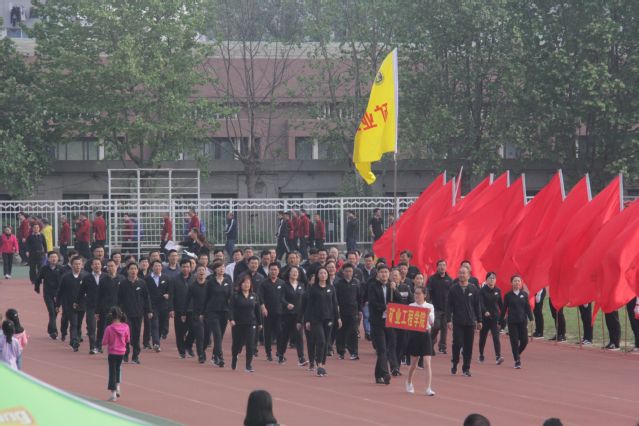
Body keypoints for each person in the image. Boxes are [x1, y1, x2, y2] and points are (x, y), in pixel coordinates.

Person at [303, 266, 341, 377]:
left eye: (325, 273)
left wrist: (338, 318)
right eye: (321, 273)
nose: (323, 275)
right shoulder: (313, 289)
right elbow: (309, 305)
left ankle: (323, 365)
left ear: (327, 275)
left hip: (329, 319)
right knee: (321, 341)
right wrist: (307, 320)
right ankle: (319, 364)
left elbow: (335, 304)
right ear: (317, 275)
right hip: (316, 319)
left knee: (326, 343)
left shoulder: (331, 288)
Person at [446, 265, 482, 377]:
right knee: (457, 343)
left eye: (464, 273)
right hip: (458, 321)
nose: (461, 275)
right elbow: (449, 305)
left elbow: (477, 306)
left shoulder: (473, 289)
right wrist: (448, 320)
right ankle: (455, 362)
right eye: (460, 273)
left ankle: (466, 368)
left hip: (470, 322)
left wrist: (479, 320)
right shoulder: (453, 289)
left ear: (469, 275)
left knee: (468, 346)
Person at [368, 264, 400, 384]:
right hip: (377, 322)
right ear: (378, 274)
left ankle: (378, 375)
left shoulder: (391, 286)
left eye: (386, 272)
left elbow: (400, 301)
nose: (384, 274)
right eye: (381, 272)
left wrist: (395, 289)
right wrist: (385, 307)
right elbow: (373, 302)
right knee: (381, 348)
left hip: (390, 322)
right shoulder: (373, 287)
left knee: (388, 348)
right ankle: (386, 373)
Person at [117, 262, 152, 364]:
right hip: (126, 314)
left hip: (138, 313)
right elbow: (119, 299)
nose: (133, 271)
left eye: (135, 269)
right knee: (126, 335)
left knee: (136, 335)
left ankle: (135, 356)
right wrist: (118, 312)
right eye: (131, 269)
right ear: (127, 270)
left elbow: (146, 298)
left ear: (137, 270)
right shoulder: (123, 284)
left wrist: (149, 310)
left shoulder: (142, 283)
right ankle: (125, 354)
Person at [405, 287, 435, 396]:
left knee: (427, 362)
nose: (417, 295)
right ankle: (409, 382)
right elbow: (407, 321)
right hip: (414, 335)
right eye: (415, 293)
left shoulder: (429, 306)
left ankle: (428, 388)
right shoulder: (411, 306)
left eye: (419, 293)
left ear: (424, 295)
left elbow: (432, 322)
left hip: (425, 335)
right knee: (414, 363)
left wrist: (428, 314)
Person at [229, 273, 262, 372]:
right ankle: (234, 357)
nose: (246, 285)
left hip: (251, 323)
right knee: (236, 344)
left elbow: (257, 310)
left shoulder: (254, 296)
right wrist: (231, 319)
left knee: (250, 344)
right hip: (238, 323)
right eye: (244, 283)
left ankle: (248, 365)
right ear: (240, 284)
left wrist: (260, 323)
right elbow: (231, 309)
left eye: (248, 283)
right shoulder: (235, 296)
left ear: (250, 285)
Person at [202, 261, 232, 367]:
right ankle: (220, 357)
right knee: (217, 335)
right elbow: (205, 298)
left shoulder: (228, 281)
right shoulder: (210, 282)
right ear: (215, 270)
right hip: (212, 312)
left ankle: (214, 355)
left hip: (224, 312)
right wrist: (202, 312)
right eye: (219, 267)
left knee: (220, 336)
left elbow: (231, 297)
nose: (221, 269)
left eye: (223, 267)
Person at [500, 275, 534, 369]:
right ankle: (517, 361)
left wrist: (531, 319)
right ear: (511, 283)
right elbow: (504, 309)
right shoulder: (508, 295)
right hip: (512, 322)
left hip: (522, 321)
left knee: (524, 341)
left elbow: (527, 308)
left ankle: (516, 353)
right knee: (514, 341)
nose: (517, 282)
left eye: (519, 281)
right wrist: (500, 321)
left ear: (521, 283)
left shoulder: (524, 294)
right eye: (515, 281)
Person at [56, 256, 86, 351]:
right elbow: (60, 292)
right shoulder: (66, 277)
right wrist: (57, 305)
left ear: (82, 265)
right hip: (69, 305)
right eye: (75, 264)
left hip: (82, 305)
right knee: (73, 323)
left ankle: (77, 336)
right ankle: (74, 341)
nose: (77, 266)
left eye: (79, 264)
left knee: (79, 323)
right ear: (72, 265)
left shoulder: (85, 276)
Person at [278, 266, 306, 366]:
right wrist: (287, 304)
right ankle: (281, 355)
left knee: (299, 336)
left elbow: (304, 299)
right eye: (293, 272)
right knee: (285, 336)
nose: (294, 273)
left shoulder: (302, 285)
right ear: (289, 273)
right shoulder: (284, 285)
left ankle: (301, 358)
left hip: (298, 315)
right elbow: (281, 298)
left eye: (296, 272)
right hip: (287, 314)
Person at [101, 306, 130, 402]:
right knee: (118, 369)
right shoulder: (126, 327)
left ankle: (113, 393)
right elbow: (127, 339)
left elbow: (104, 342)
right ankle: (118, 387)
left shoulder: (109, 328)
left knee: (112, 371)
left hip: (112, 352)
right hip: (121, 352)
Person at [75, 258, 104, 354]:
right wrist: (76, 302)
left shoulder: (105, 277)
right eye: (95, 264)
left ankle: (99, 345)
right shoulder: (87, 278)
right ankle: (92, 347)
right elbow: (81, 291)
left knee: (102, 327)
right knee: (91, 327)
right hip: (91, 306)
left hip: (103, 306)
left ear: (101, 265)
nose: (97, 266)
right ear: (91, 266)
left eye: (98, 264)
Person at [334, 263, 361, 360]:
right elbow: (335, 299)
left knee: (353, 332)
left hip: (353, 312)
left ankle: (354, 352)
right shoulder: (338, 284)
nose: (348, 273)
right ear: (343, 272)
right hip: (341, 312)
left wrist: (360, 310)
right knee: (341, 332)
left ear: (353, 272)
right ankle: (341, 352)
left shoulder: (356, 282)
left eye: (350, 271)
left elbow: (359, 297)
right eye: (346, 271)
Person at [260, 262, 286, 362]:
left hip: (279, 313)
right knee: (267, 333)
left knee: (280, 333)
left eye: (275, 270)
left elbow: (284, 298)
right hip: (267, 312)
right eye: (271, 269)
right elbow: (260, 297)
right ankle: (268, 353)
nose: (273, 272)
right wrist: (263, 308)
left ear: (278, 271)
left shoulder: (282, 283)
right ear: (269, 270)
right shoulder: (264, 283)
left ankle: (279, 352)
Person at [96, 260, 123, 352]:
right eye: (108, 266)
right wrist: (97, 311)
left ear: (116, 266)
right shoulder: (103, 280)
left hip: (118, 309)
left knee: (118, 329)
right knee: (102, 328)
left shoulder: (122, 279)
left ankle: (117, 346)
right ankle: (98, 346)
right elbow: (99, 296)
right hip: (105, 308)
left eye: (112, 266)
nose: (110, 268)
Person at [35, 251, 62, 339]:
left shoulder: (61, 269)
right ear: (48, 259)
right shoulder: (44, 268)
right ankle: (54, 332)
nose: (54, 259)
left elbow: (65, 280)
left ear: (58, 258)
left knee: (55, 312)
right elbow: (38, 278)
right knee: (52, 311)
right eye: (52, 257)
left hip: (58, 294)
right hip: (48, 293)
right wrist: (37, 288)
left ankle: (50, 329)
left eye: (55, 257)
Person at [427, 259, 452, 354]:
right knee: (436, 326)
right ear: (437, 267)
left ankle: (442, 347)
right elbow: (428, 292)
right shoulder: (432, 279)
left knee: (444, 328)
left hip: (446, 308)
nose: (442, 267)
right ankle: (430, 342)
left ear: (446, 267)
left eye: (444, 265)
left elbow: (452, 294)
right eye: (440, 265)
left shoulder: (450, 280)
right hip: (435, 308)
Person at [478, 272, 505, 365]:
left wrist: (503, 315)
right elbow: (480, 303)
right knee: (483, 337)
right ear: (486, 280)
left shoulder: (498, 290)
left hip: (494, 318)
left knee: (496, 337)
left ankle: (498, 356)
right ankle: (481, 354)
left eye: (493, 278)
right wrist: (485, 311)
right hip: (485, 318)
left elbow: (501, 304)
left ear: (495, 280)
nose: (492, 280)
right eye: (490, 278)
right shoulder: (482, 291)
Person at [184, 265, 209, 363]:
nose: (201, 272)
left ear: (205, 272)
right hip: (197, 314)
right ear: (196, 273)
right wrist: (183, 313)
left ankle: (202, 349)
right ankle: (201, 355)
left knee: (207, 338)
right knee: (200, 336)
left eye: (203, 270)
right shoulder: (192, 286)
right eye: (199, 270)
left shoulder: (209, 284)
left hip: (208, 314)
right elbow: (187, 300)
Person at [169, 258, 192, 358]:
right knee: (180, 332)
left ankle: (187, 345)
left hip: (192, 309)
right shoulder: (174, 279)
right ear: (180, 267)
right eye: (184, 267)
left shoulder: (194, 278)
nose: (186, 269)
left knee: (194, 329)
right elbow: (171, 295)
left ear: (190, 268)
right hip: (179, 309)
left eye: (188, 267)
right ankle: (182, 351)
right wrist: (171, 309)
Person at [145, 260, 170, 351]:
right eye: (156, 266)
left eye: (159, 266)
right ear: (152, 267)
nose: (157, 268)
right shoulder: (147, 278)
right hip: (152, 305)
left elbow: (170, 290)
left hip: (163, 305)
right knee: (154, 324)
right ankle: (156, 343)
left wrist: (168, 294)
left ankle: (157, 339)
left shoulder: (166, 277)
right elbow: (145, 292)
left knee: (162, 324)